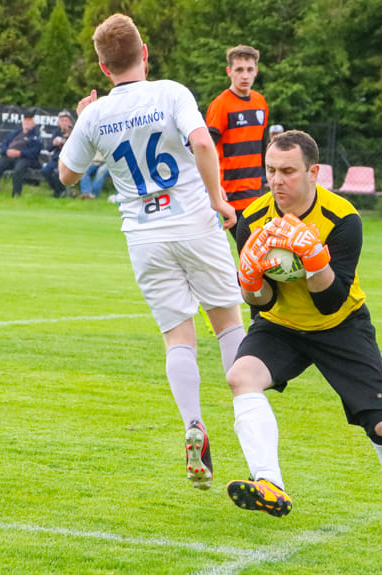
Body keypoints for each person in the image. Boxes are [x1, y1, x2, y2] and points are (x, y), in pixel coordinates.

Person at [225, 130, 382, 538]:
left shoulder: (342, 219)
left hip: (340, 325)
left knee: (381, 425)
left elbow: (330, 301)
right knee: (241, 377)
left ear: (314, 172)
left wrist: (313, 257)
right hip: (282, 326)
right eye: (271, 170)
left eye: (288, 171)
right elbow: (261, 303)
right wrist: (249, 276)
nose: (277, 181)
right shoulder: (253, 218)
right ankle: (269, 484)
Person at [58, 13, 246, 491]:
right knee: (226, 323)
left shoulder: (95, 114)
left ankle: (193, 424)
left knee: (177, 335)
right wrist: (219, 198)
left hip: (144, 234)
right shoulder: (170, 92)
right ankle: (251, 423)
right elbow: (202, 141)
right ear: (145, 54)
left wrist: (83, 120)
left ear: (103, 69)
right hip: (195, 225)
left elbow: (66, 175)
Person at [206, 45, 269, 240]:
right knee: (251, 253)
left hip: (257, 192)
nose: (245, 75)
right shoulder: (221, 105)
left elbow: (263, 146)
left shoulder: (261, 103)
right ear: (229, 72)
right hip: (231, 193)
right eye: (239, 70)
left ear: (256, 72)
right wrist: (215, 186)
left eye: (249, 70)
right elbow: (207, 148)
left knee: (260, 255)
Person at [0, 109, 43, 197]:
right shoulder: (15, 133)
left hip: (24, 158)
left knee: (18, 170)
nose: (26, 123)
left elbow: (35, 151)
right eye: (25, 121)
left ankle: (16, 194)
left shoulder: (35, 135)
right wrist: (7, 151)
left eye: (29, 121)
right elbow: (4, 145)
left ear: (33, 124)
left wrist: (20, 153)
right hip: (9, 156)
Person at [43, 110, 74, 198]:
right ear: (58, 123)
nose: (64, 123)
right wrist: (54, 143)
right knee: (45, 170)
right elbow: (49, 149)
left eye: (66, 121)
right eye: (62, 121)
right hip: (56, 159)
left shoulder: (74, 133)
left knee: (58, 172)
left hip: (68, 160)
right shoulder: (56, 133)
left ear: (70, 122)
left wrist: (67, 139)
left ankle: (59, 193)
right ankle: (58, 190)